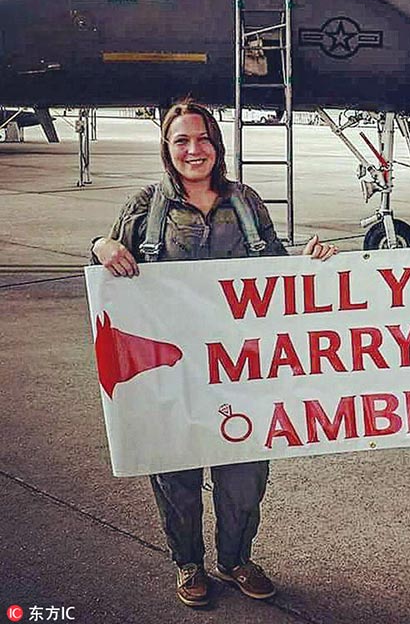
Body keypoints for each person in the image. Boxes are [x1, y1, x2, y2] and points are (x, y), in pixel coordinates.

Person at [92, 100, 337, 608]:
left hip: (240, 371)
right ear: (167, 149)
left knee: (245, 474)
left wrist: (308, 266)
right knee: (176, 474)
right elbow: (107, 267)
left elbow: (274, 272)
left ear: (216, 145)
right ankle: (188, 563)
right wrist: (100, 245)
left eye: (202, 138)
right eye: (181, 140)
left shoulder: (245, 203)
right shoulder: (145, 207)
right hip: (172, 374)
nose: (193, 149)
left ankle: (235, 560)